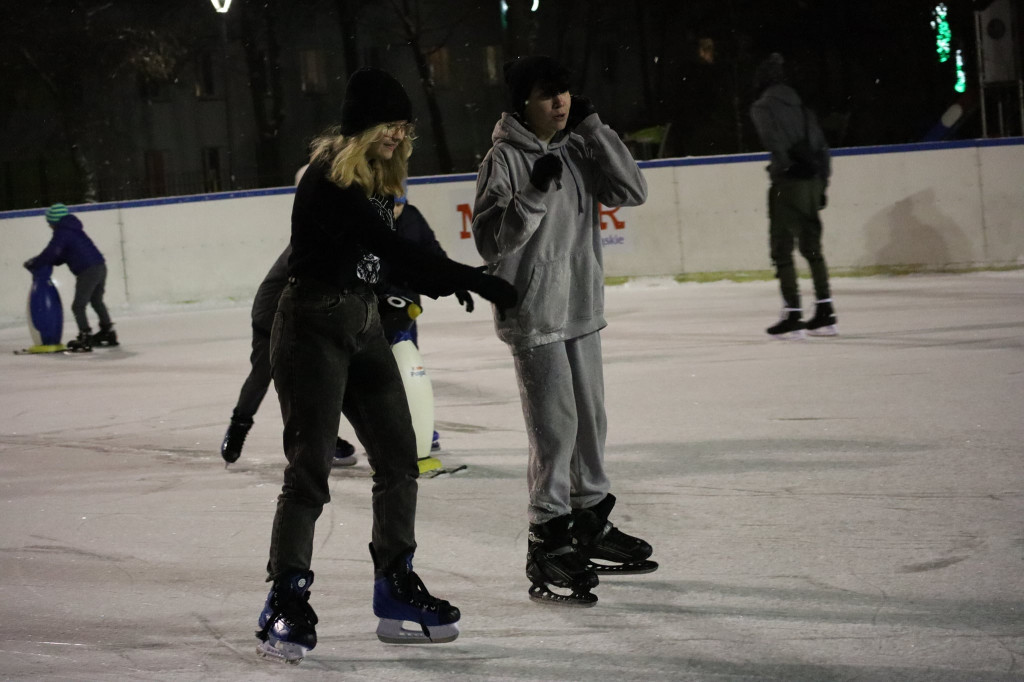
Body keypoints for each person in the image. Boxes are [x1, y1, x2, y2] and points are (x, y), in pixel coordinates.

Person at [255, 67, 516, 664]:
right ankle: (285, 597)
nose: (399, 136)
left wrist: (440, 278)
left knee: (400, 458)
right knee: (311, 469)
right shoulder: (328, 179)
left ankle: (394, 584)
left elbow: (384, 257)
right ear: (360, 128)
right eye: (389, 125)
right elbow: (389, 248)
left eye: (405, 126)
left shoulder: (376, 180)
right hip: (310, 327)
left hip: (362, 321)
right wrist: (462, 278)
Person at [471, 55, 656, 608]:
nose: (562, 103)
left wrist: (596, 131)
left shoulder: (578, 146)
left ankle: (590, 521)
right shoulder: (502, 160)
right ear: (522, 101)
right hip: (534, 316)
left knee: (591, 424)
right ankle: (548, 537)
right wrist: (532, 193)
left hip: (579, 308)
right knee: (556, 432)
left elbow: (632, 191)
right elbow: (489, 242)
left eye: (567, 92)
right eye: (549, 94)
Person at [219, 246, 357, 467]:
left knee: (314, 379)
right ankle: (239, 426)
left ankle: (321, 441)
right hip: (271, 316)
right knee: (261, 376)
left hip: (302, 317)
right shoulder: (309, 241)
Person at [749, 53, 837, 339]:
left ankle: (793, 313)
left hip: (788, 183)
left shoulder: (762, 107)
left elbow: (774, 142)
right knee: (812, 248)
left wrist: (787, 167)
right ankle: (825, 311)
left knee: (782, 248)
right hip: (812, 181)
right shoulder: (803, 108)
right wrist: (821, 184)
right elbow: (822, 147)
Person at [386, 188, 475, 455]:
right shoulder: (372, 219)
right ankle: (387, 430)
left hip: (408, 306)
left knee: (409, 366)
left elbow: (432, 250)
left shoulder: (412, 216)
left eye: (400, 205)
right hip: (378, 306)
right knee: (385, 372)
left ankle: (417, 425)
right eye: (392, 205)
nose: (396, 211)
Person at [23, 203, 118, 352]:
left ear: (54, 221)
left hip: (88, 270)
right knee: (96, 301)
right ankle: (108, 332)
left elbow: (52, 252)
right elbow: (62, 254)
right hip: (100, 266)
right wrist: (48, 261)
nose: (49, 227)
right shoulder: (73, 229)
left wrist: (35, 263)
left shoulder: (62, 232)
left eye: (49, 223)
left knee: (78, 306)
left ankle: (85, 336)